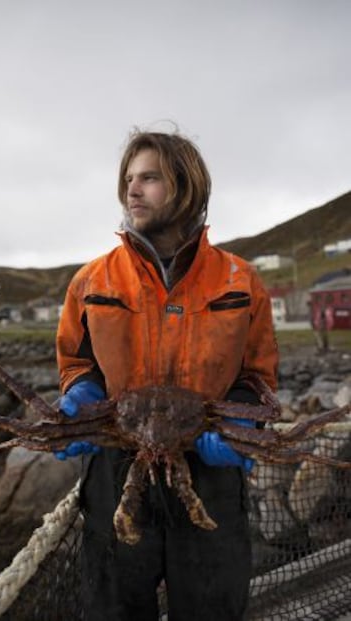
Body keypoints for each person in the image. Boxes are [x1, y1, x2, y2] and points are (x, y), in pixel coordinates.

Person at [55, 129, 278, 621]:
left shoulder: (241, 281)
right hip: (116, 471)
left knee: (212, 610)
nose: (132, 190)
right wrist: (81, 393)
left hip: (212, 473)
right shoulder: (92, 281)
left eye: (149, 178)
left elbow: (259, 376)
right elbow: (76, 362)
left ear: (186, 186)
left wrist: (243, 422)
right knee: (112, 610)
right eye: (129, 179)